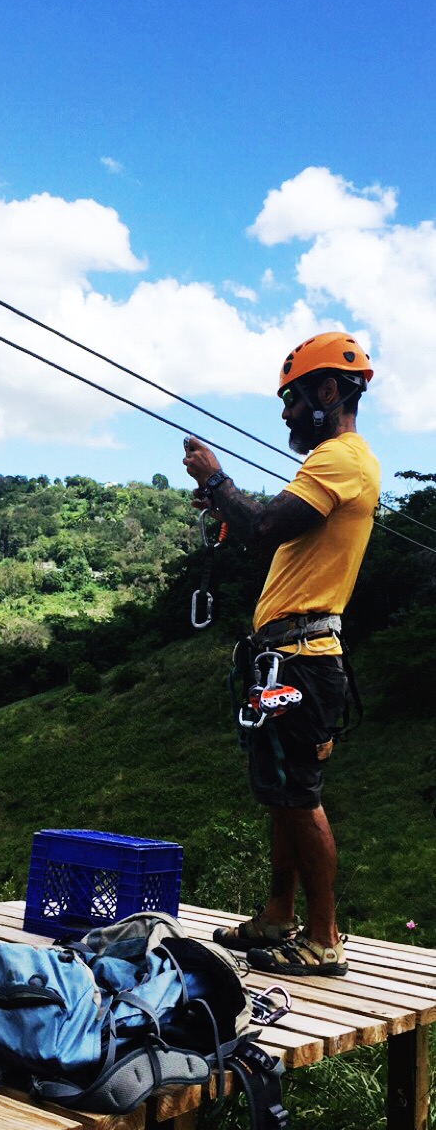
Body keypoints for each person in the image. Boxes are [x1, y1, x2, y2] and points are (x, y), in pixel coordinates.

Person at [183, 333, 380, 976]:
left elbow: (265, 525)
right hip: (286, 655)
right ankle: (278, 916)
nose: (287, 413)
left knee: (299, 791)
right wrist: (222, 500)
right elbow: (263, 528)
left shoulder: (340, 459)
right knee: (280, 789)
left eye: (293, 399)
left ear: (329, 392)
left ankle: (323, 938)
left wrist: (217, 480)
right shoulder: (333, 463)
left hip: (303, 655)